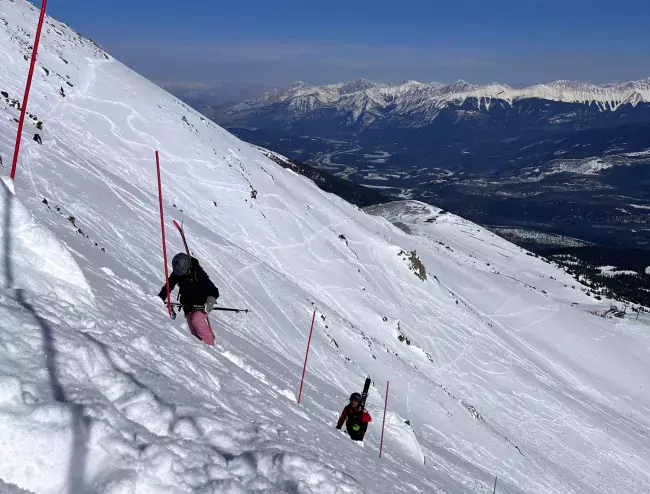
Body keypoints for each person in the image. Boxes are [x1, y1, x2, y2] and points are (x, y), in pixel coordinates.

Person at [158, 253, 219, 346]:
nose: (179, 276)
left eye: (182, 273)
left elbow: (214, 291)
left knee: (197, 320)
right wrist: (160, 298)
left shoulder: (198, 272)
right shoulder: (177, 272)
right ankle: (200, 348)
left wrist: (209, 303)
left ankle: (210, 345)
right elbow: (168, 286)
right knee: (193, 332)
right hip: (188, 305)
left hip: (202, 304)